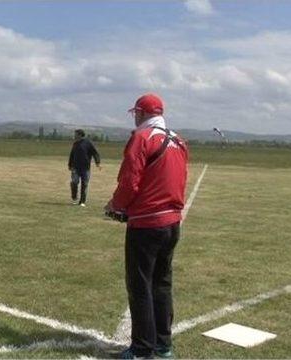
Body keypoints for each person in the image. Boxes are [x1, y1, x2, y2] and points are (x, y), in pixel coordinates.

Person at [105, 93, 188, 359]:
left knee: (140, 285)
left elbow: (130, 181)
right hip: (172, 222)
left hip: (147, 224)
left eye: (135, 113)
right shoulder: (178, 140)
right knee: (162, 284)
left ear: (141, 113)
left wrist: (115, 205)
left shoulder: (142, 138)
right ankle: (163, 345)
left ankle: (142, 349)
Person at [68, 129, 101, 207]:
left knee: (84, 184)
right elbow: (72, 155)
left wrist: (97, 162)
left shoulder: (88, 143)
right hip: (75, 167)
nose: (74, 135)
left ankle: (82, 201)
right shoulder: (75, 144)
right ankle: (74, 196)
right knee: (74, 182)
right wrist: (70, 165)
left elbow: (95, 153)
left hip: (85, 168)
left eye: (75, 134)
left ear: (80, 134)